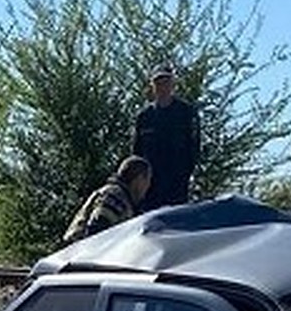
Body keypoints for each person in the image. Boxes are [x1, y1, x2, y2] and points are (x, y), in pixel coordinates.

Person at [132, 63, 201, 210]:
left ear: (173, 85)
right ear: (152, 86)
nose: (162, 87)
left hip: (177, 186)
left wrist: (186, 176)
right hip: (150, 188)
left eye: (166, 82)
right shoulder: (144, 116)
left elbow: (194, 149)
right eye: (158, 83)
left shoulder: (186, 113)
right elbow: (137, 153)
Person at [63, 156, 152, 244]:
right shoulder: (115, 197)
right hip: (82, 255)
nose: (148, 186)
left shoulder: (123, 200)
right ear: (139, 179)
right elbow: (98, 232)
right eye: (148, 180)